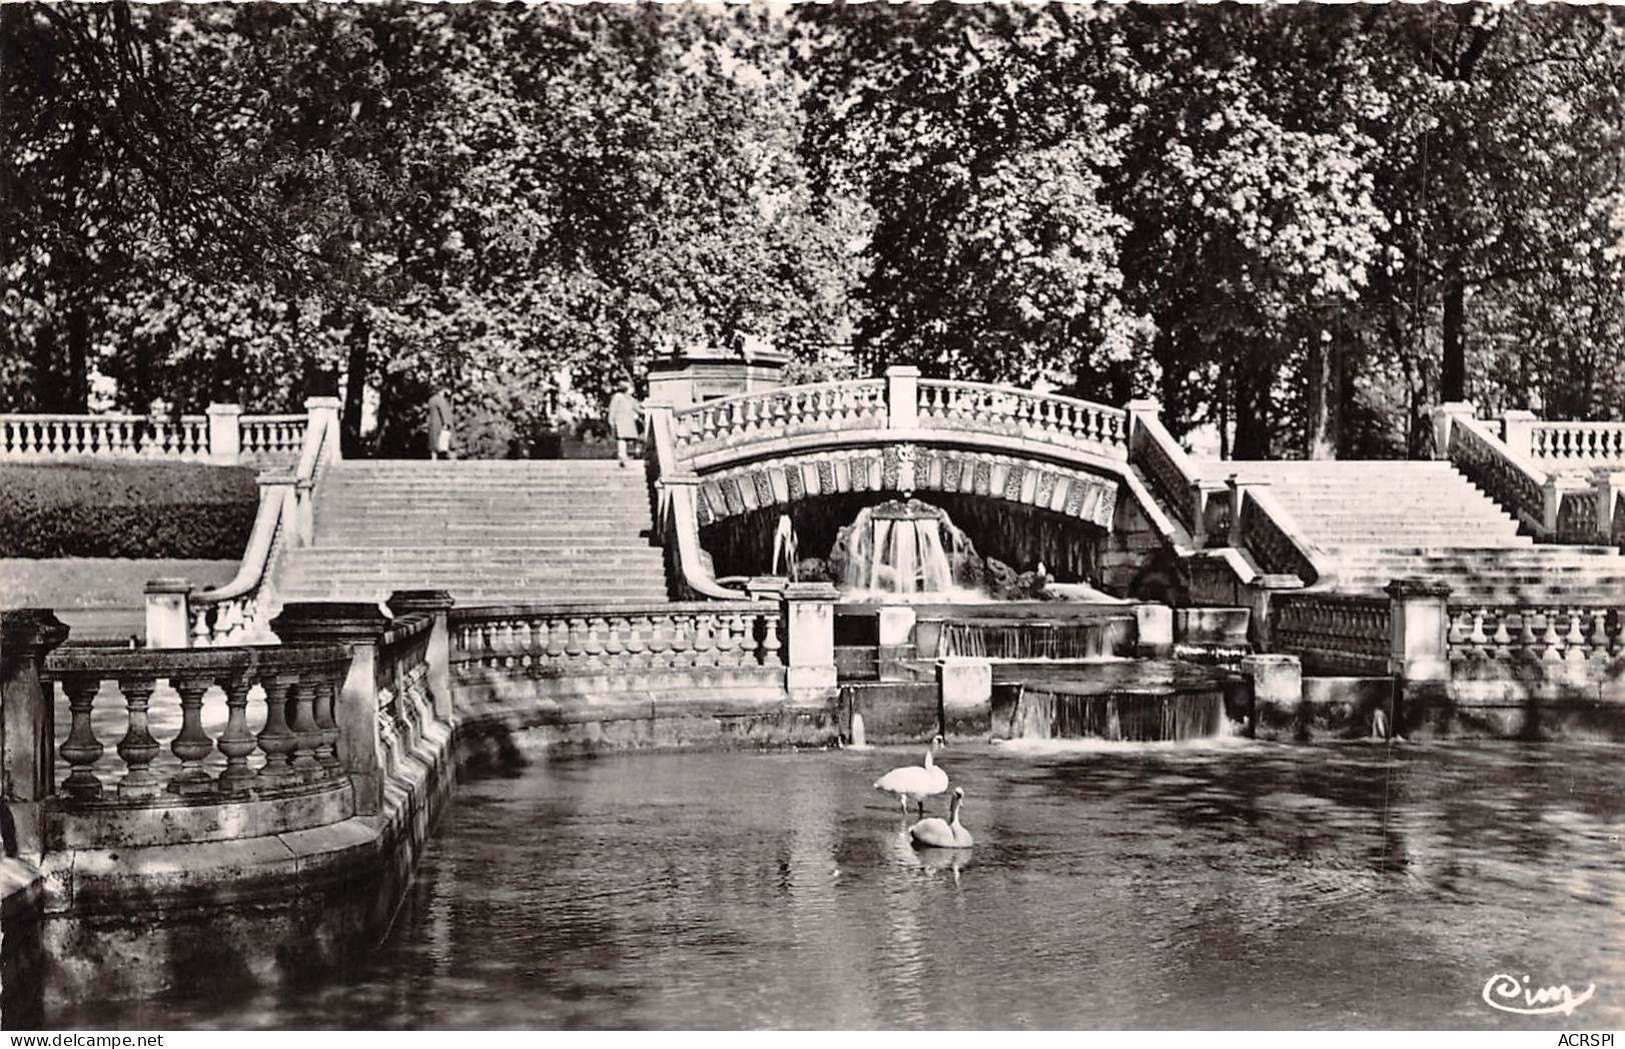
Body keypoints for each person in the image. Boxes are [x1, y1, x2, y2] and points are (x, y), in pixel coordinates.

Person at [607, 380, 642, 467]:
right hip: (620, 420)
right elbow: (612, 408)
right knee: (621, 438)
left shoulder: (630, 398)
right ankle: (622, 456)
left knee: (627, 439)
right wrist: (611, 419)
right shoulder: (618, 396)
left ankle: (627, 455)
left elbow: (637, 408)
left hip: (628, 420)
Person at [426, 389, 455, 460]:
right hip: (440, 425)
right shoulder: (441, 400)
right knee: (446, 443)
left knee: (434, 445)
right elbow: (444, 412)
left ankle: (433, 460)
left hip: (432, 424)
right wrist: (447, 423)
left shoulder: (431, 400)